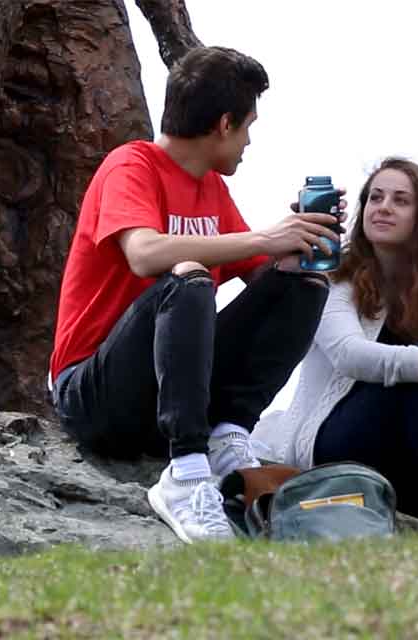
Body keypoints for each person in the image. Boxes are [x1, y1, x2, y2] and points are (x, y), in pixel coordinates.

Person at [49, 46, 343, 543]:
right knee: (187, 277)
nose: (250, 142)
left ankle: (228, 433)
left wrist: (302, 245)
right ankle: (185, 474)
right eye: (249, 127)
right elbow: (143, 253)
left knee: (303, 284)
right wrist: (263, 239)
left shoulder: (211, 189)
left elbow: (263, 283)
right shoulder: (131, 164)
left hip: (173, 398)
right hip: (95, 396)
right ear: (225, 124)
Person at [252, 158, 418, 521]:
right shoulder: (335, 276)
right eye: (376, 198)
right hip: (333, 443)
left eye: (400, 200)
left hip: (403, 456)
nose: (384, 207)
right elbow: (348, 354)